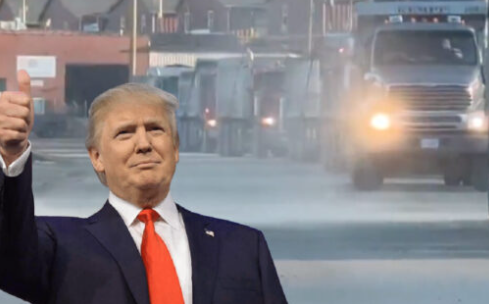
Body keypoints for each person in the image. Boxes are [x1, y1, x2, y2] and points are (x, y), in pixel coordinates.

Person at [0, 72, 288, 304]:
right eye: (125, 133)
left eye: (155, 129)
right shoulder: (59, 245)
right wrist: (12, 155)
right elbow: (13, 258)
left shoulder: (244, 247)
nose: (144, 144)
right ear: (97, 157)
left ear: (175, 149)